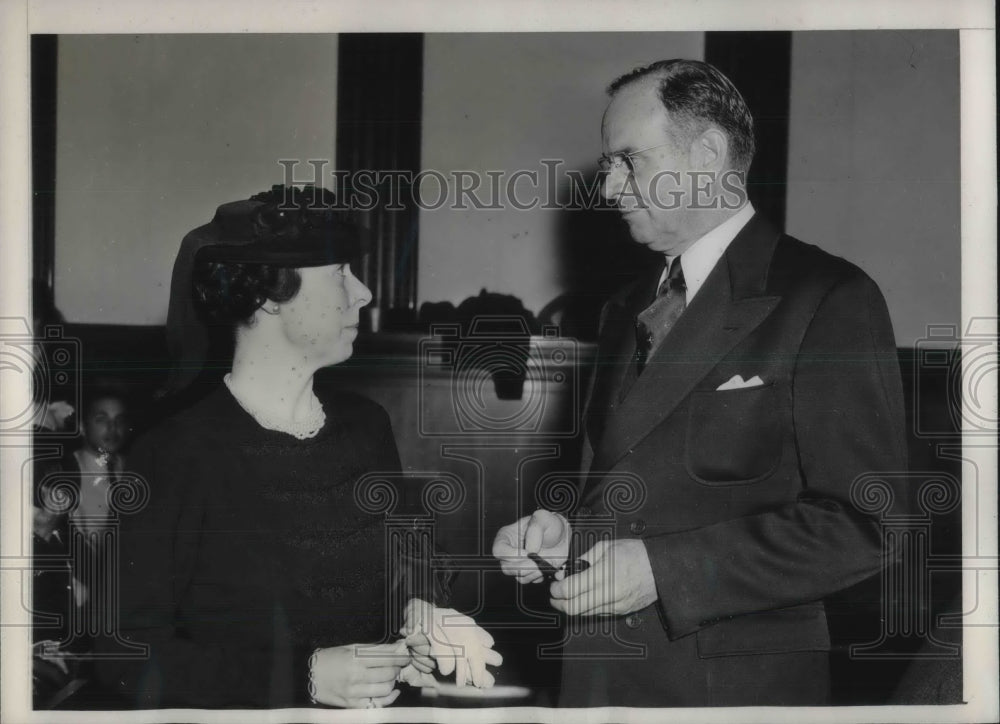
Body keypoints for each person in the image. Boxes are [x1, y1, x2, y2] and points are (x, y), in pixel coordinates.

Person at [493, 59, 909, 707]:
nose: (609, 188)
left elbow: (869, 525)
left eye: (629, 160)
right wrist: (566, 534)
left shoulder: (826, 297)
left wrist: (665, 570)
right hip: (600, 674)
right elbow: (631, 490)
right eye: (610, 164)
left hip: (729, 689)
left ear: (710, 153)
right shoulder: (624, 307)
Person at [95, 186, 500, 709]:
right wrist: (301, 677)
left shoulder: (366, 425)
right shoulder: (176, 453)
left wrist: (423, 614)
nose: (364, 293)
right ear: (267, 295)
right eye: (339, 275)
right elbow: (122, 655)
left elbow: (407, 564)